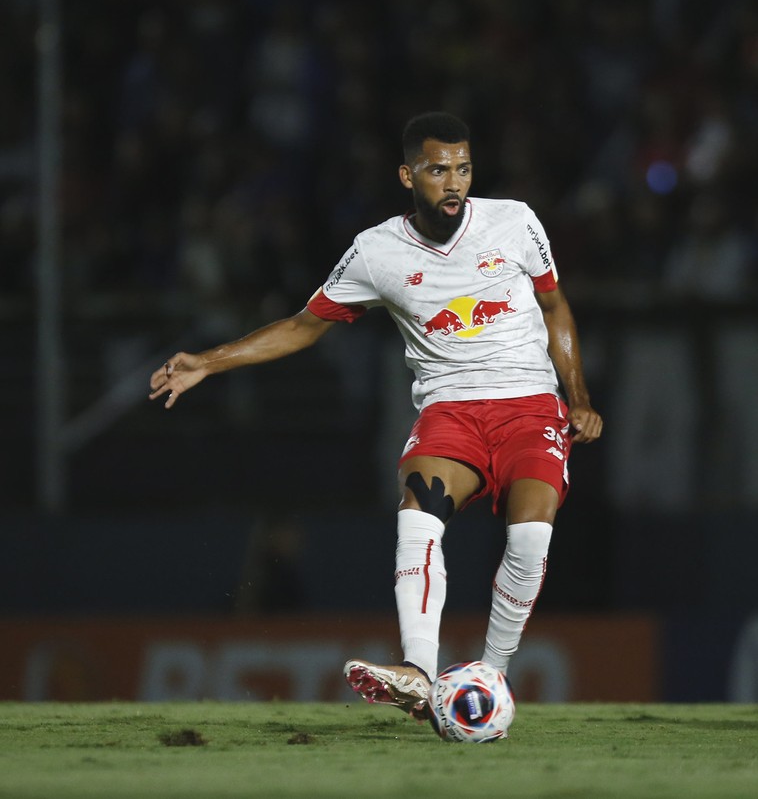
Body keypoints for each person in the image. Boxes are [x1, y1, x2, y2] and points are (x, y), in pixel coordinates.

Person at [149, 111, 603, 722]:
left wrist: (577, 395)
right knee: (418, 516)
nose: (454, 183)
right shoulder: (377, 252)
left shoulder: (514, 222)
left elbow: (554, 307)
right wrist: (208, 360)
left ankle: (490, 676)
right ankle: (418, 670)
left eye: (463, 169)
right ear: (406, 174)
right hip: (450, 411)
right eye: (438, 170)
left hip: (528, 404)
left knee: (529, 537)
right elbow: (304, 326)